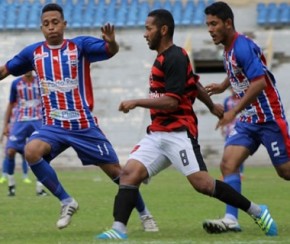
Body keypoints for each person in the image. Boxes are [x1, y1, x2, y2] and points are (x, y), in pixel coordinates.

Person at [96, 9, 277, 240]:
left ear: (163, 30)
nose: (145, 34)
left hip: (178, 133)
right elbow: (193, 82)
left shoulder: (175, 57)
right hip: (158, 133)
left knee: (202, 184)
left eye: (148, 28)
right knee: (129, 174)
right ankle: (118, 229)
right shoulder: (165, 57)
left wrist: (136, 102)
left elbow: (172, 102)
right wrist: (212, 107)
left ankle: (257, 211)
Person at [0, 3, 158, 232]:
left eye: (55, 22)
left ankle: (145, 214)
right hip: (53, 126)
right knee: (31, 151)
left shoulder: (80, 46)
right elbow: (5, 70)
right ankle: (67, 201)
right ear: (41, 28)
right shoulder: (33, 53)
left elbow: (110, 50)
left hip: (83, 125)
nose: (51, 27)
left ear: (64, 24)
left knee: (119, 174)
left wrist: (111, 41)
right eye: (46, 24)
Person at [202, 1, 290, 234]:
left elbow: (259, 82)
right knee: (228, 163)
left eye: (214, 23)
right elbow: (236, 74)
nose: (210, 29)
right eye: (207, 24)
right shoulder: (228, 49)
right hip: (249, 121)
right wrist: (222, 86)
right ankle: (231, 219)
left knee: (286, 172)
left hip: (269, 118)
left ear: (228, 23)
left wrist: (233, 111)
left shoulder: (242, 46)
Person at [1, 71, 48, 196]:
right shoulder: (16, 83)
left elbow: (48, 100)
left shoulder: (41, 82)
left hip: (38, 120)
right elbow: (11, 104)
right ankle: (11, 186)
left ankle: (40, 188)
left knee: (42, 152)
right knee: (10, 151)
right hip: (20, 121)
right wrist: (5, 125)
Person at [221, 87, 244, 178]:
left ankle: (240, 172)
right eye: (232, 89)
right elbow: (224, 114)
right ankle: (228, 172)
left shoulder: (243, 99)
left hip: (240, 128)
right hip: (229, 129)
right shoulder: (227, 100)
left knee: (238, 152)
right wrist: (222, 127)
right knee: (228, 150)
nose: (233, 90)